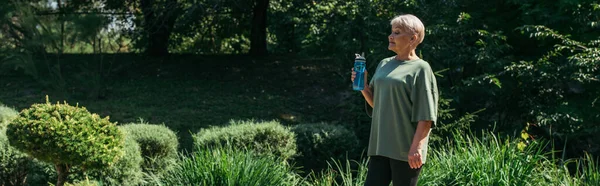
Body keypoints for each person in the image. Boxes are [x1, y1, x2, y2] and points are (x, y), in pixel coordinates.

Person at [351, 14, 438, 186]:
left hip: (405, 149)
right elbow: (377, 103)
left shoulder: (421, 69)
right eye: (392, 32)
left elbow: (426, 115)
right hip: (380, 145)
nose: (391, 36)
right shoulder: (384, 64)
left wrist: (416, 148)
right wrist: (364, 87)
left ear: (413, 38)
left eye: (397, 33)